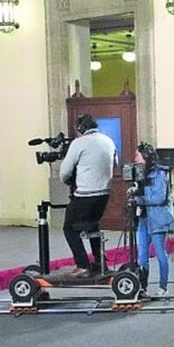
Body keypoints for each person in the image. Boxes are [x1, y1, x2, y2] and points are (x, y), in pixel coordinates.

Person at [58, 113, 117, 276]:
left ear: (81, 128)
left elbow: (65, 173)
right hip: (104, 195)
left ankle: (82, 265)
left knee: (69, 228)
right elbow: (115, 163)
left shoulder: (79, 143)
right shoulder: (108, 141)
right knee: (93, 224)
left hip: (85, 195)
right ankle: (99, 261)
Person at [126, 142, 174, 296]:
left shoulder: (159, 174)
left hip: (157, 219)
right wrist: (134, 190)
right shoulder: (140, 174)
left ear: (145, 157)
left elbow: (159, 198)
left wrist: (139, 198)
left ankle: (163, 287)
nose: (135, 159)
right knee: (141, 256)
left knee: (161, 254)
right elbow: (141, 191)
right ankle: (142, 287)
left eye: (137, 156)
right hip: (144, 219)